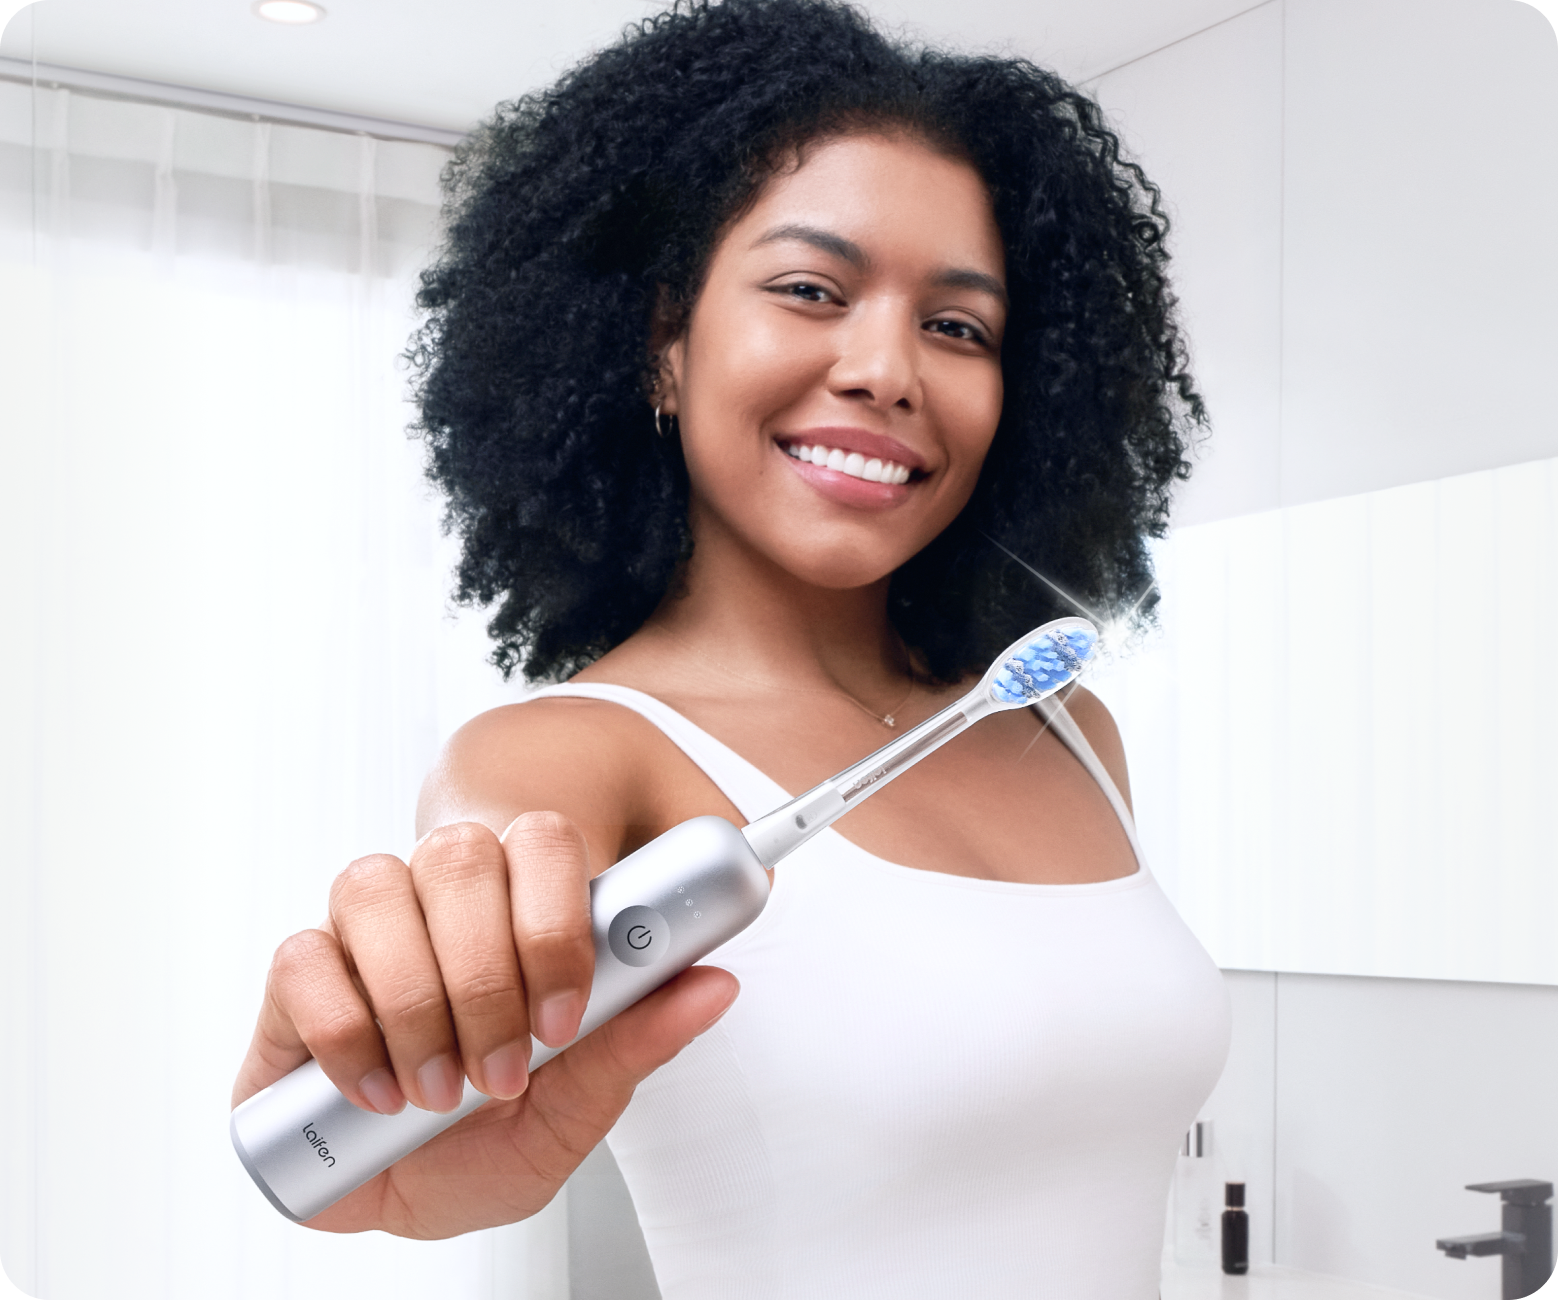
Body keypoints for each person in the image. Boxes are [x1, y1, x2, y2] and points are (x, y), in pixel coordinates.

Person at [232, 1, 1230, 1294]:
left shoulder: (1062, 729)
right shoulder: (569, 759)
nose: (886, 368)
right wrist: (397, 1053)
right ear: (661, 344)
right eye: (811, 290)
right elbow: (466, 920)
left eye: (958, 325)